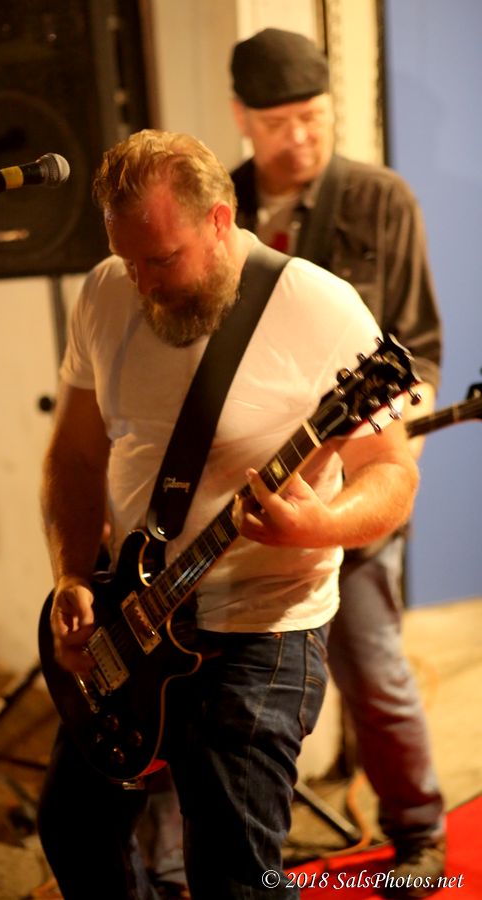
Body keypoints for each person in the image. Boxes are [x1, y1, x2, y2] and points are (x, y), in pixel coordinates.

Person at [37, 128, 419, 899]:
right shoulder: (106, 291)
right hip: (132, 617)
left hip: (261, 633)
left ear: (219, 219)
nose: (142, 282)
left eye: (161, 259)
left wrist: (318, 526)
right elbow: (74, 455)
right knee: (73, 830)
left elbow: (392, 473)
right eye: (127, 259)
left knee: (235, 877)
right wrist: (73, 575)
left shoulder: (319, 308)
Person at [228, 28, 444, 897]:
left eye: (313, 116)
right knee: (217, 688)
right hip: (245, 496)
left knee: (372, 665)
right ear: (241, 117)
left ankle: (419, 834)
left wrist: (385, 452)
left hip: (352, 488)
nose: (300, 137)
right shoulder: (220, 205)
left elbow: (421, 348)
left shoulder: (381, 199)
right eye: (278, 121)